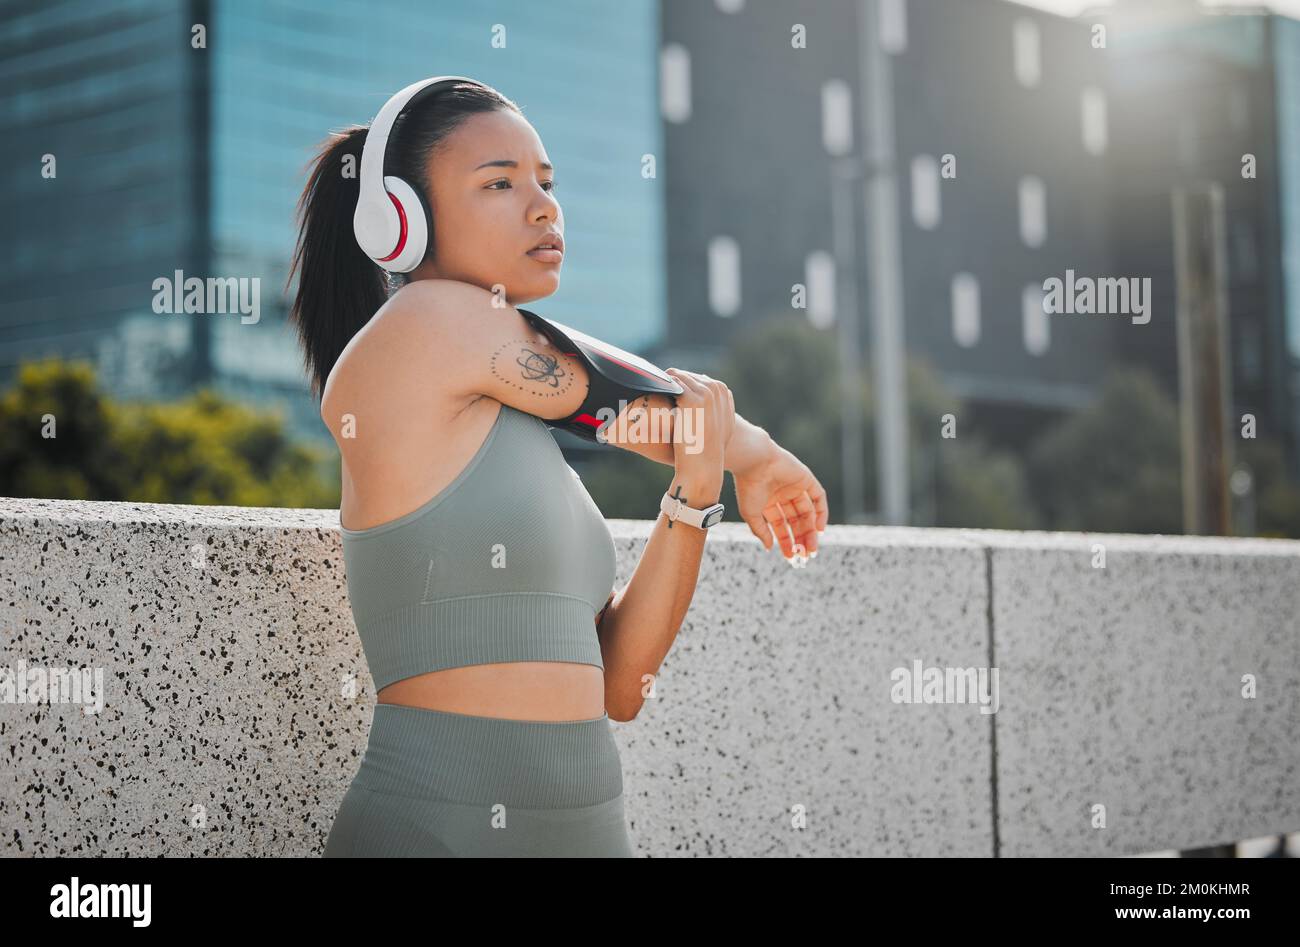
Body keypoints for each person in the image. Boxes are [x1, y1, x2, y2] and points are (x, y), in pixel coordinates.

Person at [287, 78, 827, 856]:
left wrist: (697, 495)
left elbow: (618, 684)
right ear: (401, 220)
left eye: (547, 182)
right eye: (499, 183)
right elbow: (613, 393)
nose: (542, 206)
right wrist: (760, 453)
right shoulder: (424, 322)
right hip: (437, 830)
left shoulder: (522, 432)